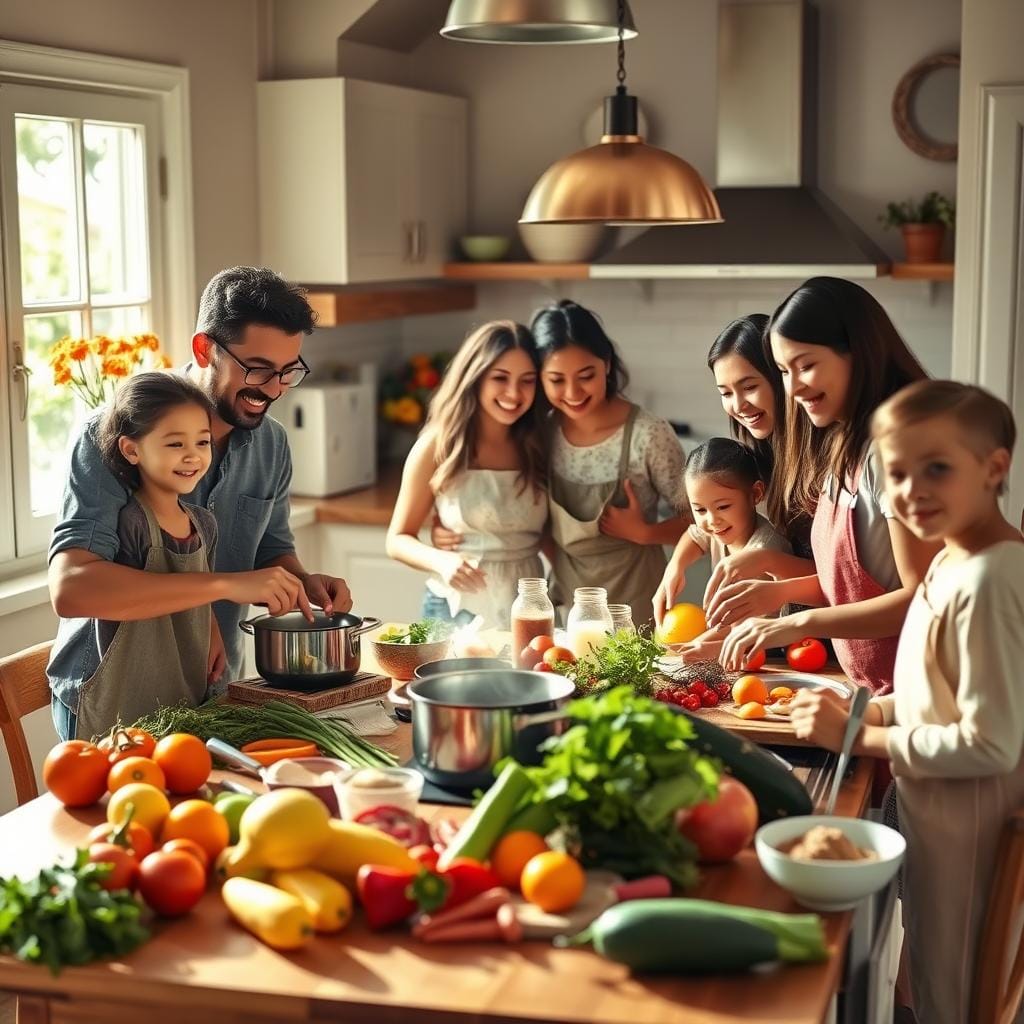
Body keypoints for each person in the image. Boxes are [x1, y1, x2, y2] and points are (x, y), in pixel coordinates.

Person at [789, 380, 1024, 1024]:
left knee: (953, 1003)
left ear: (994, 468)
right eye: (895, 473)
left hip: (973, 845)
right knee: (922, 987)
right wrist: (862, 714)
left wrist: (859, 738)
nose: (911, 490)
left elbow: (988, 742)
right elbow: (929, 697)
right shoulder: (950, 563)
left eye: (937, 469)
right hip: (938, 826)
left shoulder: (993, 580)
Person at [48, 267, 353, 740]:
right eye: (257, 368)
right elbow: (73, 590)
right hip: (110, 698)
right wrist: (223, 586)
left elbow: (270, 550)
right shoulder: (115, 434)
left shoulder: (270, 443)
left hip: (207, 691)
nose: (272, 389)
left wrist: (303, 582)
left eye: (288, 371)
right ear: (204, 348)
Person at [716, 277, 941, 694]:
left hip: (922, 693)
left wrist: (794, 622)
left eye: (805, 364)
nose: (794, 387)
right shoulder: (843, 439)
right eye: (784, 371)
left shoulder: (898, 448)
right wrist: (774, 596)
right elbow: (857, 581)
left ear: (857, 351)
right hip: (878, 690)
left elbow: (922, 597)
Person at [47, 374, 222, 739]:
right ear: (131, 450)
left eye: (203, 441)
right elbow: (111, 593)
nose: (193, 455)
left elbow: (194, 591)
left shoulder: (204, 524)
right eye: (175, 443)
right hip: (115, 709)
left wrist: (210, 625)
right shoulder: (132, 523)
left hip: (175, 704)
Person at [532, 300, 688, 624]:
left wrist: (646, 533)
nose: (573, 392)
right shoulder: (542, 434)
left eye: (585, 375)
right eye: (556, 380)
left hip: (636, 603)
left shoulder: (649, 433)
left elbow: (703, 522)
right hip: (568, 604)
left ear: (606, 364)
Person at [385, 321, 547, 628]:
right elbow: (397, 539)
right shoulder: (439, 443)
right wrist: (442, 560)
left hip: (528, 606)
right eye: (500, 378)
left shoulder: (540, 442)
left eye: (527, 380)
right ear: (474, 378)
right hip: (454, 607)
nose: (514, 393)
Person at [654, 314, 813, 624]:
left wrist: (766, 560)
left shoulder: (818, 465)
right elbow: (698, 532)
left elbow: (839, 578)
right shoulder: (762, 457)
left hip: (818, 630)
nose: (738, 405)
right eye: (726, 393)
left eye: (749, 386)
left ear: (781, 376)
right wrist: (674, 567)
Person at [661, 438, 791, 662]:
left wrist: (700, 642)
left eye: (723, 507)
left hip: (770, 655)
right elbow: (694, 535)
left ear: (756, 494)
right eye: (700, 509)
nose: (712, 520)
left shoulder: (766, 547)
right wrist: (675, 567)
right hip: (734, 644)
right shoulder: (721, 529)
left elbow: (747, 627)